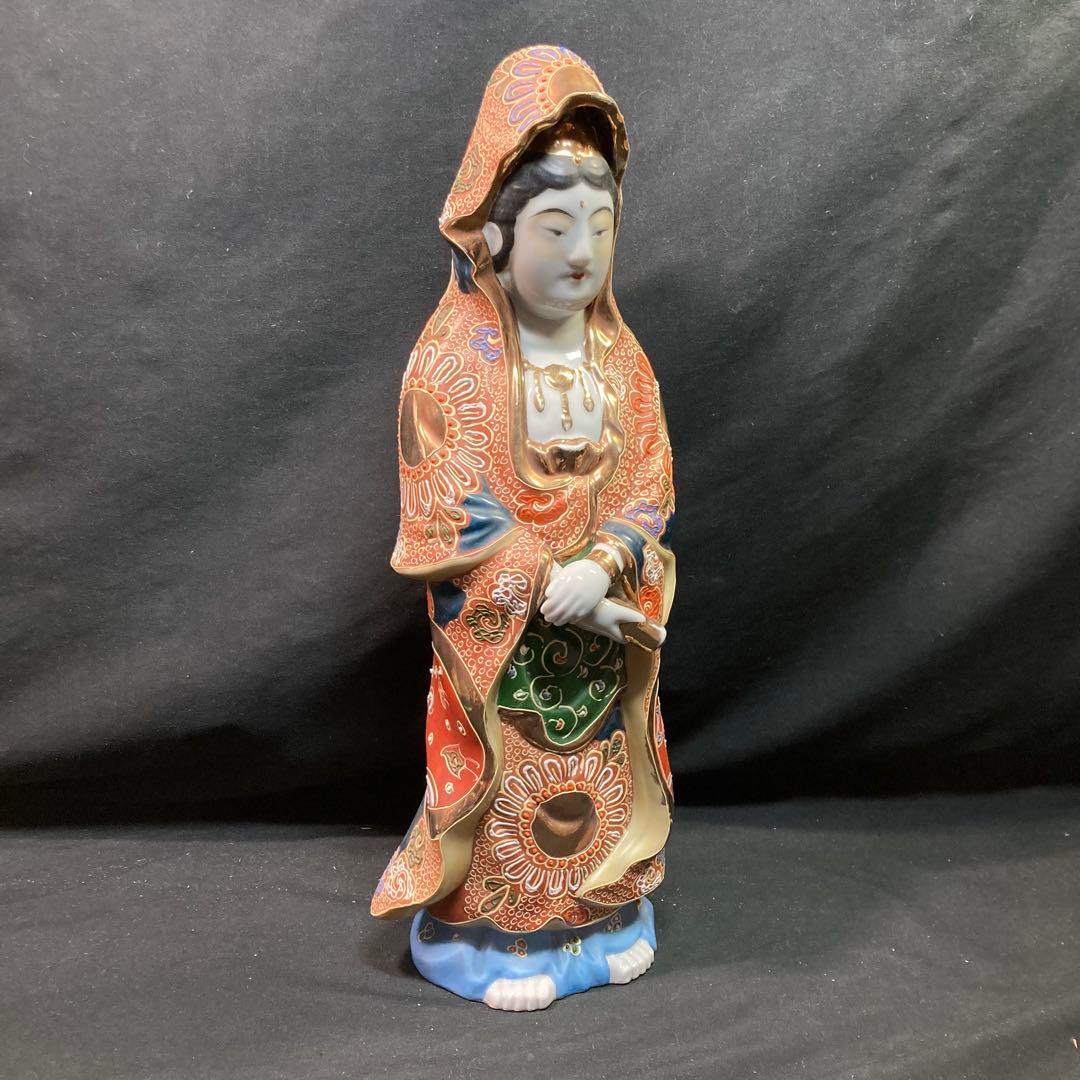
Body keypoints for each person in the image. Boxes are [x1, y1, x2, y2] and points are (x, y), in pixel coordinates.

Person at [371, 44, 676, 1011]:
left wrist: (607, 565)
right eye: (555, 226)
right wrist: (550, 578)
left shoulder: (620, 358)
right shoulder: (453, 357)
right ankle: (492, 940)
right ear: (496, 234)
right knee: (512, 790)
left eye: (601, 226)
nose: (582, 251)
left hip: (603, 630)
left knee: (600, 775)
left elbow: (650, 479)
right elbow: (447, 500)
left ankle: (603, 921)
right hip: (503, 638)